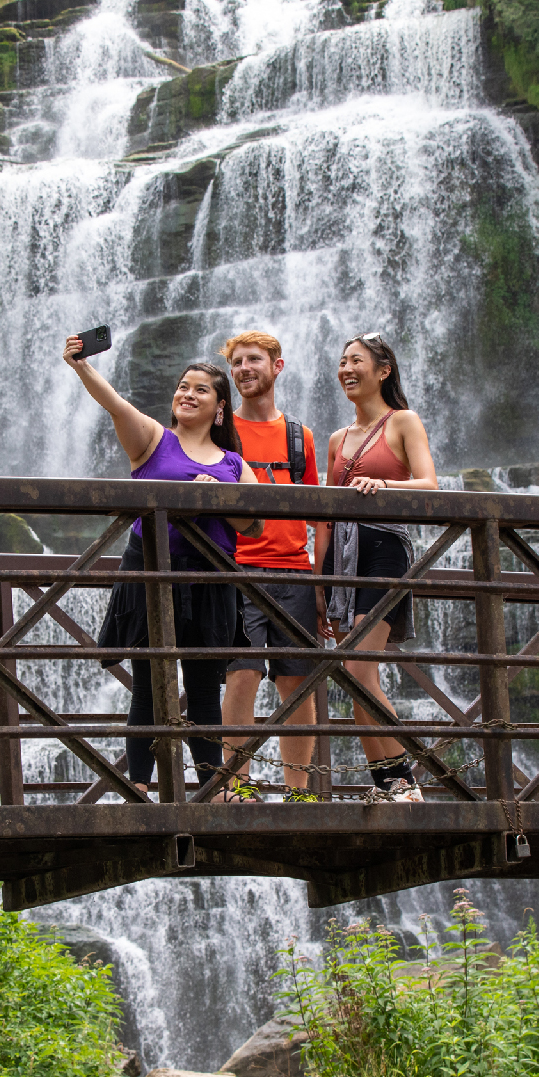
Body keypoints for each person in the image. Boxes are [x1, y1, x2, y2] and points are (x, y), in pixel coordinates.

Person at [65, 336, 262, 798]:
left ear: (220, 407)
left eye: (200, 389)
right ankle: (138, 788)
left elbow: (253, 526)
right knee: (150, 684)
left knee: (203, 686)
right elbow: (114, 404)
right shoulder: (154, 439)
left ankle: (210, 788)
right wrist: (80, 366)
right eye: (182, 387)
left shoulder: (234, 463)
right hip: (152, 569)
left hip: (211, 576)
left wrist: (216, 491)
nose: (187, 394)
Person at [316, 333, 438, 802]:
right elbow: (325, 515)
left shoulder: (403, 421)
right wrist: (320, 582)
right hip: (344, 557)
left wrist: (383, 484)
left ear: (383, 370)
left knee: (358, 671)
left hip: (385, 548)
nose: (346, 369)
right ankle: (390, 784)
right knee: (354, 675)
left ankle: (403, 780)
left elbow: (430, 484)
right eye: (342, 362)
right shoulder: (336, 439)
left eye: (356, 361)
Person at [217, 331, 322, 800]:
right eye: (237, 362)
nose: (244, 368)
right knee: (241, 675)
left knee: (296, 684)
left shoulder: (300, 438)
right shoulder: (222, 434)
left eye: (254, 359)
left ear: (277, 367)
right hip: (237, 572)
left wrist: (323, 583)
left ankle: (297, 791)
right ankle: (237, 783)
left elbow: (321, 513)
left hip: (295, 572)